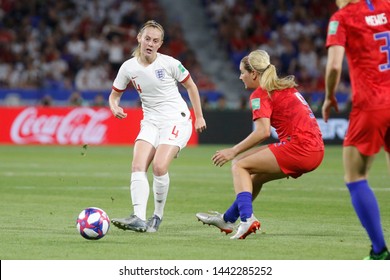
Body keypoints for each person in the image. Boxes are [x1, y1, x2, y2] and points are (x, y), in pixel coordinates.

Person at [196, 50, 324, 239]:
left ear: (254, 74)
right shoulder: (285, 87)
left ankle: (247, 219)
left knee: (238, 165)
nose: (240, 77)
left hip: (300, 147)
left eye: (242, 72)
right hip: (315, 149)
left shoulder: (260, 94)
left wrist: (233, 150)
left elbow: (263, 132)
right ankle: (228, 219)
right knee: (254, 175)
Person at [109, 20, 207, 233]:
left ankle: (157, 216)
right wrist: (114, 106)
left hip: (176, 119)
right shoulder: (128, 67)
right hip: (151, 121)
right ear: (139, 39)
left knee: (159, 167)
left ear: (160, 44)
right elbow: (114, 94)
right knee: (137, 166)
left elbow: (191, 86)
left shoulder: (170, 63)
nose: (150, 44)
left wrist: (198, 116)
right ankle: (138, 217)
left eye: (155, 40)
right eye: (147, 39)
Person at [322, 0, 390, 260]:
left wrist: (329, 96)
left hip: (372, 104)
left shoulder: (343, 17)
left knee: (355, 177)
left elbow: (335, 66)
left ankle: (379, 251)